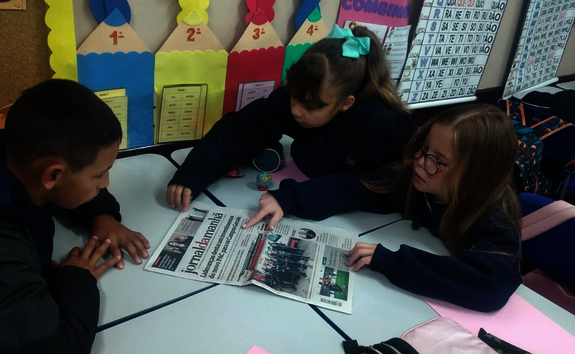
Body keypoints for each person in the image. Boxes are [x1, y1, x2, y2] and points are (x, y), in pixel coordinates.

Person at [246, 104, 522, 312]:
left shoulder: (493, 220)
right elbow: (357, 187)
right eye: (421, 148)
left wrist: (392, 261)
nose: (420, 162)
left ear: (474, 176)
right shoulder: (417, 181)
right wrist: (289, 197)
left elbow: (491, 286)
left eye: (437, 161)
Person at [0, 79, 150, 353]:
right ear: (52, 175)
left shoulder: (5, 149)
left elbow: (66, 177)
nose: (106, 183)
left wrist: (102, 215)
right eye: (99, 174)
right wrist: (76, 279)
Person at [167, 24, 416, 211]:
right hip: (325, 172)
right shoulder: (300, 97)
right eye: (294, 96)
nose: (296, 109)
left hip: (381, 205)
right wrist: (192, 174)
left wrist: (292, 197)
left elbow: (372, 189)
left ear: (345, 103)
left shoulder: (378, 123)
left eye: (309, 106)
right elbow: (242, 127)